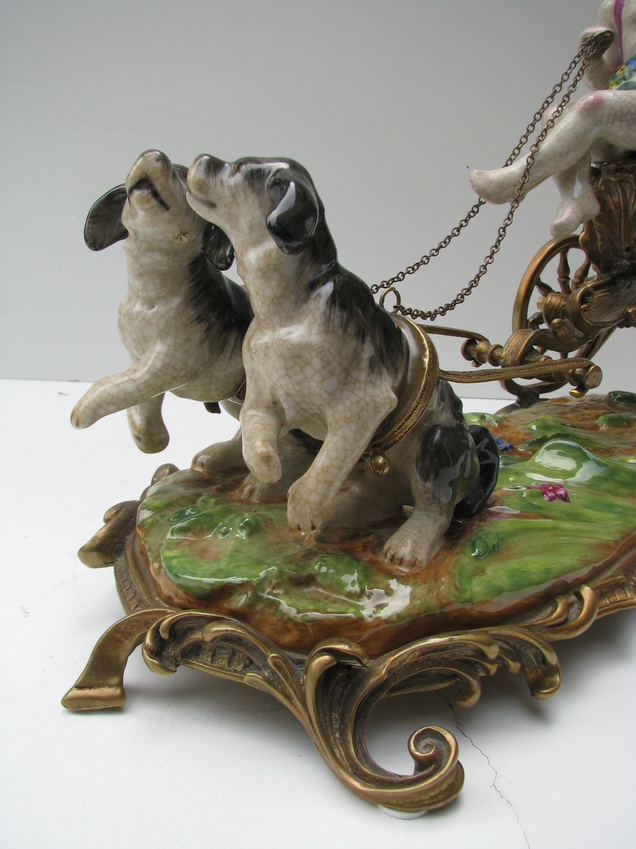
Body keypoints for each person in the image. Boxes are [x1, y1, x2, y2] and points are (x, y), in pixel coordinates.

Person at [470, 0, 636, 239]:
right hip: (627, 117)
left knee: (593, 107)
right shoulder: (615, 7)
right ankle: (575, 196)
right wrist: (590, 57)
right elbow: (607, 84)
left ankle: (517, 178)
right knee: (555, 114)